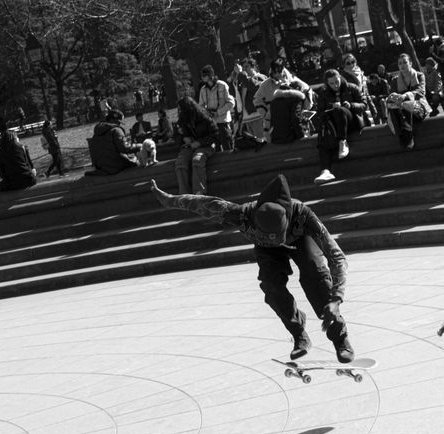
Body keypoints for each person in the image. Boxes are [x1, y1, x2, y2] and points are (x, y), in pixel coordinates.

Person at [150, 175, 355, 363]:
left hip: (301, 240)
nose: (273, 240)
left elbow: (336, 256)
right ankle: (298, 332)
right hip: (266, 251)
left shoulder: (303, 214)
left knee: (316, 276)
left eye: (277, 235)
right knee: (271, 286)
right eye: (266, 234)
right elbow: (201, 203)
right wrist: (168, 199)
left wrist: (336, 298)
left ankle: (340, 339)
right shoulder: (241, 214)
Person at [314, 69, 366, 184]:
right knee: (323, 138)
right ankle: (325, 171)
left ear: (340, 78)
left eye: (337, 81)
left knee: (340, 111)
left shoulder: (351, 87)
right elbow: (320, 113)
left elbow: (364, 105)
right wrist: (331, 107)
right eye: (331, 83)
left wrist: (350, 105)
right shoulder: (323, 93)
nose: (335, 85)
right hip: (334, 124)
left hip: (352, 120)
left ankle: (343, 141)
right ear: (327, 83)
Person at [254, 57, 310, 143]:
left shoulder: (292, 81)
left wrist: (306, 108)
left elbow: (307, 90)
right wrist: (267, 113)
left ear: (283, 69)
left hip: (295, 120)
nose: (277, 74)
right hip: (277, 123)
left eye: (279, 71)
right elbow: (256, 100)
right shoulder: (266, 85)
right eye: (275, 71)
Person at [173, 95, 219, 195]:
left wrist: (199, 143)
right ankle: (184, 195)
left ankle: (199, 193)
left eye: (181, 109)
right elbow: (176, 137)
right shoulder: (182, 120)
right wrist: (183, 139)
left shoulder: (204, 117)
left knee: (197, 160)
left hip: (206, 145)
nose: (179, 111)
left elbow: (215, 134)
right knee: (180, 163)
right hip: (189, 146)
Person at [386, 53, 431, 150]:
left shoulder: (419, 75)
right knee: (392, 107)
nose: (402, 65)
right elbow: (391, 94)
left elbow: (421, 92)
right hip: (401, 109)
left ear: (410, 63)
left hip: (419, 108)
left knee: (406, 104)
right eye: (400, 63)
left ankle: (408, 137)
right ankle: (403, 138)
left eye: (405, 62)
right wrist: (393, 97)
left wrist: (405, 95)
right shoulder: (394, 80)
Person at [88, 109, 142, 175]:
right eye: (119, 122)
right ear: (113, 120)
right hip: (115, 166)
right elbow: (125, 148)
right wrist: (140, 146)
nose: (119, 124)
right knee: (136, 161)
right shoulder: (116, 130)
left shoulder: (97, 132)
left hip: (101, 166)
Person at [198, 64, 235, 151]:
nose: (202, 78)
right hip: (211, 125)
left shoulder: (222, 85)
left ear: (210, 75)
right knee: (216, 151)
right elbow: (201, 106)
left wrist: (218, 112)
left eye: (204, 75)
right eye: (202, 76)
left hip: (223, 123)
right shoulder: (203, 89)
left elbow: (231, 103)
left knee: (228, 148)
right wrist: (207, 114)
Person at [340, 53, 376, 126]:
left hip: (366, 106)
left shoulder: (361, 74)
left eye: (353, 62)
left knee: (371, 128)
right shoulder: (343, 78)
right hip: (354, 107)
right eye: (348, 63)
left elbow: (366, 92)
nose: (351, 65)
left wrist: (372, 106)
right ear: (344, 65)